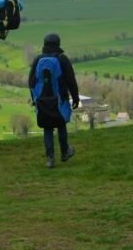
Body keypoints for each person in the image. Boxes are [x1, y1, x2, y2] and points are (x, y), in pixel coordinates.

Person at [28, 33, 79, 169]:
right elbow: (71, 81)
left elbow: (31, 81)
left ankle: (50, 159)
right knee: (61, 125)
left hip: (42, 100)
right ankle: (65, 152)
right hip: (59, 99)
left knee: (47, 128)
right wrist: (75, 98)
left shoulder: (38, 59)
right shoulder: (62, 59)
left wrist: (34, 98)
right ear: (58, 44)